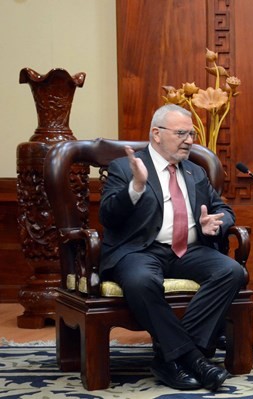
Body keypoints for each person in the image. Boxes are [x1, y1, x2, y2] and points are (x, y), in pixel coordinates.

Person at [99, 104, 245, 392]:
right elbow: (108, 216)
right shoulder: (124, 167)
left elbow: (223, 208)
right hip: (139, 251)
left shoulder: (194, 172)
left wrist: (215, 222)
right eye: (181, 133)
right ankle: (193, 358)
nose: (189, 140)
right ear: (156, 134)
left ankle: (171, 358)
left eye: (191, 133)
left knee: (231, 271)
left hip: (188, 249)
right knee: (141, 281)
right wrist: (136, 187)